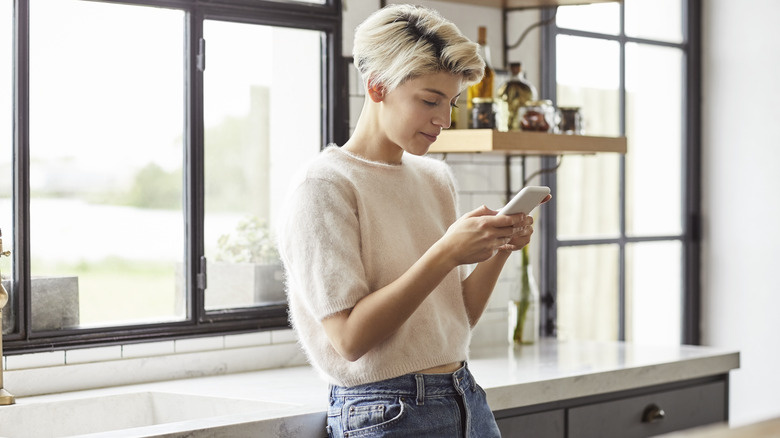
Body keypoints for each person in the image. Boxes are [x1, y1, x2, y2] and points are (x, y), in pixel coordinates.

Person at [278, 4, 549, 437]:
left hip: (465, 396)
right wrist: (445, 253)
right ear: (378, 86)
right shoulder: (323, 186)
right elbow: (349, 340)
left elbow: (454, 320)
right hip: (384, 409)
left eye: (452, 103)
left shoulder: (435, 178)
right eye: (429, 101)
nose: (444, 120)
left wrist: (498, 248)